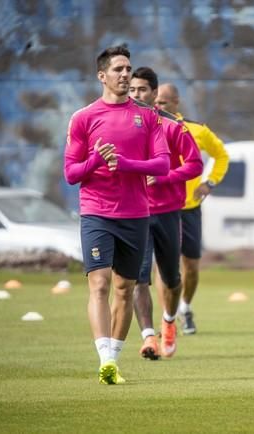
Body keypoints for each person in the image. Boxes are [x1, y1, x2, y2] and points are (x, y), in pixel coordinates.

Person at [63, 46, 170, 384]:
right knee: (99, 283)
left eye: (128, 68)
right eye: (118, 69)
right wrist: (96, 160)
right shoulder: (83, 118)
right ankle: (105, 359)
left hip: (136, 214)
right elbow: (71, 173)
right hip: (96, 212)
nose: (125, 74)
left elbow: (163, 165)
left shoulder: (148, 116)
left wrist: (125, 164)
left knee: (125, 288)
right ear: (102, 76)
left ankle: (114, 358)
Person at [129, 67, 203, 359]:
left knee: (172, 279)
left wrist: (165, 177)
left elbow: (195, 165)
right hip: (134, 212)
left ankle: (169, 321)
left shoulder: (173, 126)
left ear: (154, 93)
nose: (136, 95)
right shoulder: (121, 125)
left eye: (142, 90)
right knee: (139, 278)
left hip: (170, 212)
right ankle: (148, 337)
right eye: (132, 90)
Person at [155, 83, 229, 334]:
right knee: (164, 266)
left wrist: (210, 182)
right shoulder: (151, 127)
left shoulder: (196, 129)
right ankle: (168, 318)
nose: (157, 106)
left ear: (176, 101)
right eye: (155, 101)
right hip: (162, 208)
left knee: (192, 266)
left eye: (163, 102)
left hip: (189, 209)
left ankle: (184, 307)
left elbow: (221, 155)